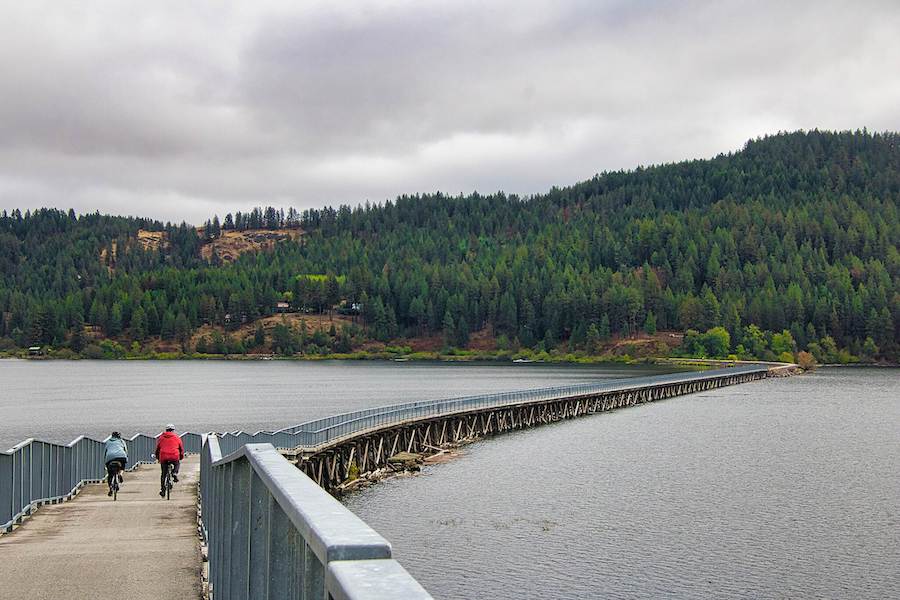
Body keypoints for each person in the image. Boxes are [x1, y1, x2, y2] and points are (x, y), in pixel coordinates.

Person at [154, 424, 184, 498]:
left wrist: (158, 458)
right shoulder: (177, 437)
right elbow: (181, 449)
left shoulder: (161, 438)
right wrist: (181, 456)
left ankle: (163, 490)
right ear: (173, 430)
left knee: (163, 474)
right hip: (174, 456)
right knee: (177, 464)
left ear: (166, 430)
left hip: (164, 457)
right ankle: (174, 473)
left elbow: (157, 449)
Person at [103, 431, 128, 497]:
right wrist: (126, 458)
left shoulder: (108, 442)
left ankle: (110, 488)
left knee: (110, 475)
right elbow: (126, 450)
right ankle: (120, 474)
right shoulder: (122, 441)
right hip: (121, 456)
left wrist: (105, 462)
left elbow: (105, 452)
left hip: (110, 458)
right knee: (122, 467)